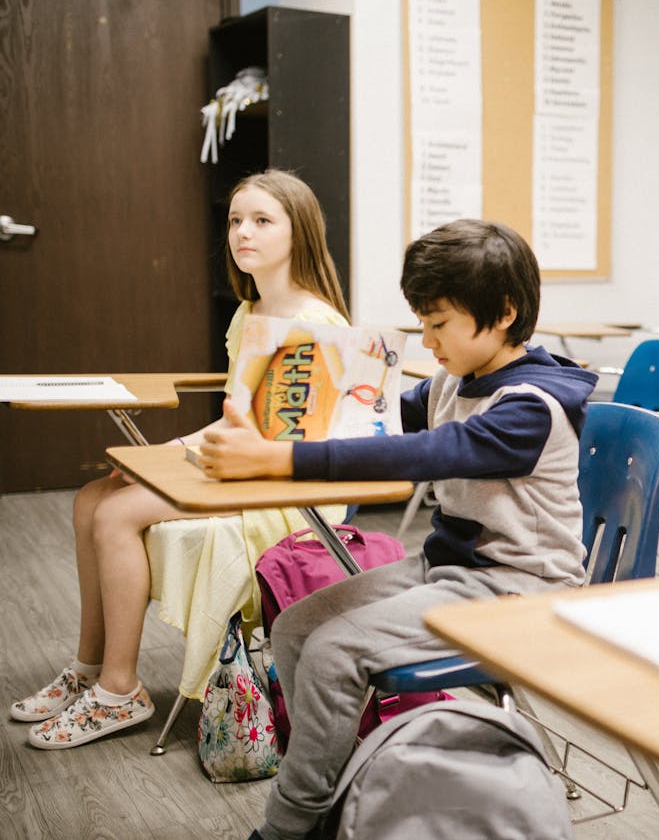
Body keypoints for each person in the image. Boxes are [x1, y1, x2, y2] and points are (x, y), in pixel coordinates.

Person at [196, 218, 598, 840]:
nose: (428, 341)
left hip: (521, 590)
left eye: (439, 325)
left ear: (504, 313)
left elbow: (428, 453)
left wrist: (282, 460)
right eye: (422, 324)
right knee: (298, 627)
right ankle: (334, 784)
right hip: (450, 569)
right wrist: (277, 411)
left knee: (334, 652)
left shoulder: (531, 406)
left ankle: (288, 825)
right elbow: (370, 419)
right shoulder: (452, 382)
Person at [12, 169, 351, 749]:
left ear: (300, 233)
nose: (243, 232)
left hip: (283, 489)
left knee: (117, 514)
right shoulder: (250, 313)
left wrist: (183, 459)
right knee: (92, 498)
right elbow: (238, 415)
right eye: (236, 220)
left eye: (262, 221)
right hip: (240, 462)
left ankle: (121, 692)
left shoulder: (315, 325)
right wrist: (170, 451)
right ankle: (89, 669)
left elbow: (287, 440)